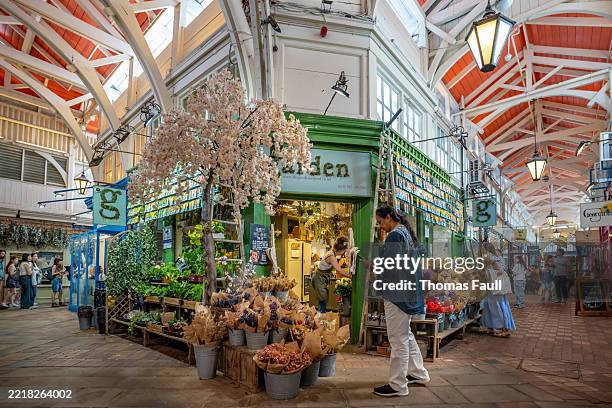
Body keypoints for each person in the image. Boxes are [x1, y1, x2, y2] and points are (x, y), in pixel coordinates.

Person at [373, 204, 429, 398]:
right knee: (406, 335)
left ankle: (398, 385)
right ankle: (417, 372)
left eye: (380, 222)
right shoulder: (405, 233)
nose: (380, 226)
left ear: (389, 217)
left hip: (397, 295)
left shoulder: (396, 235)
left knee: (398, 340)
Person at [480, 244, 515, 337]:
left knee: (497, 306)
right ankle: (490, 326)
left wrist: (486, 272)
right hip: (493, 286)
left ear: (486, 249)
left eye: (482, 247)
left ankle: (501, 328)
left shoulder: (492, 258)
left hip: (496, 287)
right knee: (490, 305)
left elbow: (500, 271)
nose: (481, 249)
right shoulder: (494, 257)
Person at [310, 237, 349, 312]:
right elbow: (339, 270)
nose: (344, 252)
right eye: (344, 250)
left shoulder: (332, 253)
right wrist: (350, 276)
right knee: (323, 299)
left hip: (322, 278)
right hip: (319, 278)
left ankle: (320, 317)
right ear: (341, 249)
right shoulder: (331, 256)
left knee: (323, 298)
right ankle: (321, 317)